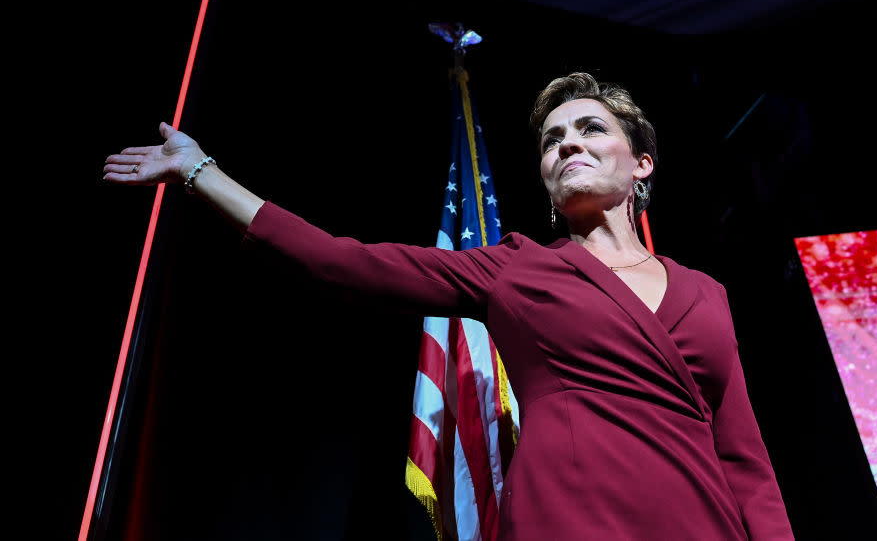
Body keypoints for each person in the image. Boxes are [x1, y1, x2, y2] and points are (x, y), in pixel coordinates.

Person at [103, 72, 794, 540]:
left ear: (642, 162)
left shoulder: (707, 292)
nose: (567, 144)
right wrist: (202, 172)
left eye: (589, 128)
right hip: (572, 519)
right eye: (553, 140)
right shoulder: (518, 267)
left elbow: (746, 459)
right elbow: (342, 260)